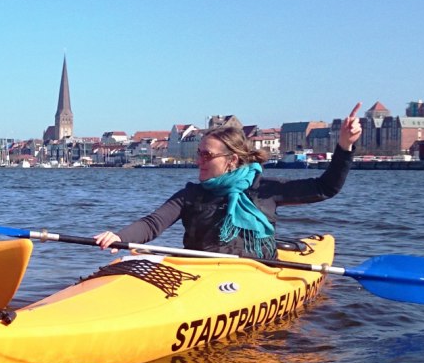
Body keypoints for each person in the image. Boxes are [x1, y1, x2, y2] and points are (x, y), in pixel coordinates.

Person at [94, 104, 364, 258]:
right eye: (198, 153)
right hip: (204, 274)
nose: (199, 160)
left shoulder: (265, 190)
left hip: (256, 275)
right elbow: (153, 224)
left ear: (232, 160)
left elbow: (325, 188)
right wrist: (119, 237)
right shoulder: (190, 195)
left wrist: (344, 146)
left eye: (206, 155)